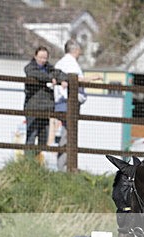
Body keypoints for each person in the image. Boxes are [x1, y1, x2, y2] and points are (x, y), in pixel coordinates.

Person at [54, 39, 102, 171]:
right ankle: (64, 167)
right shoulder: (70, 63)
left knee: (67, 133)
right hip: (69, 103)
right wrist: (91, 78)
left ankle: (65, 165)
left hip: (64, 103)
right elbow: (74, 79)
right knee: (68, 134)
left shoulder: (62, 62)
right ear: (75, 50)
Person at [24, 46, 63, 159]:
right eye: (41, 57)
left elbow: (59, 74)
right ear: (35, 56)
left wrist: (63, 80)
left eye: (45, 58)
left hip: (46, 108)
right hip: (33, 107)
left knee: (44, 138)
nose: (43, 60)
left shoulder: (50, 68)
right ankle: (28, 162)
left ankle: (36, 160)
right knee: (31, 136)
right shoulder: (30, 68)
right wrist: (50, 78)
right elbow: (34, 74)